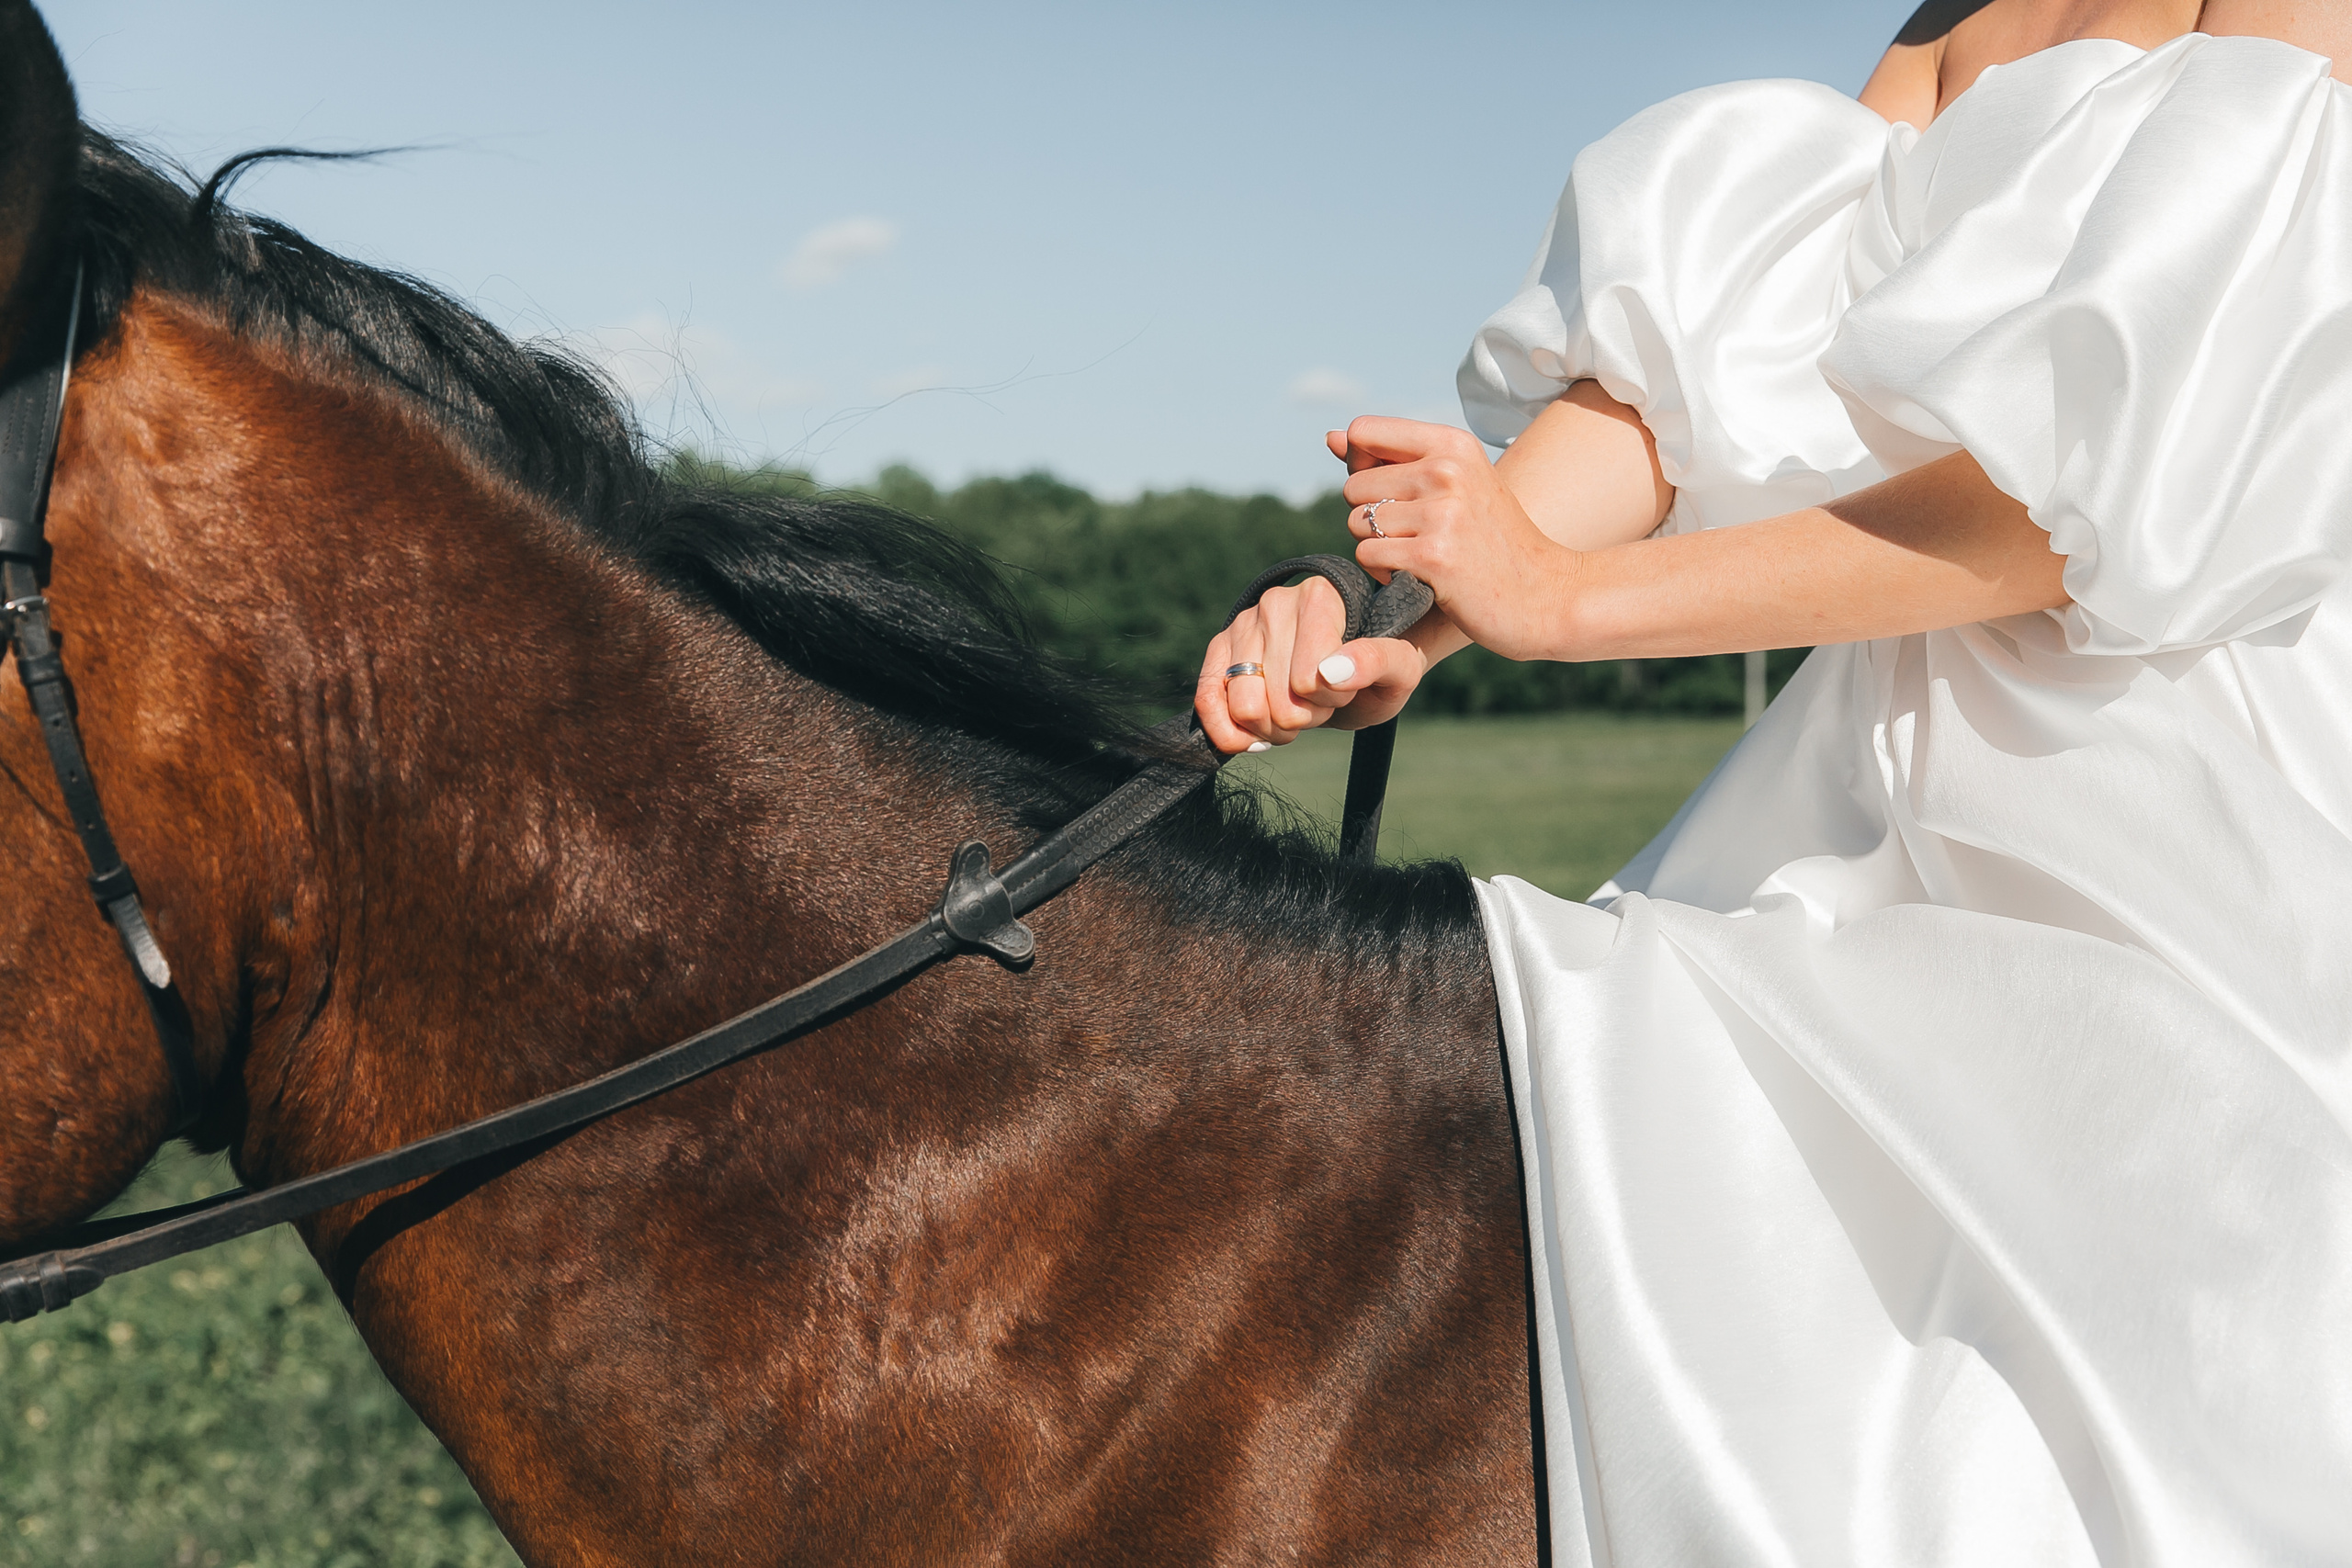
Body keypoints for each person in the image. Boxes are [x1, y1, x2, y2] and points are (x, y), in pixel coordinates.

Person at [1196, 2, 2352, 1562]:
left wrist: (1565, 605)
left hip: (2175, 809)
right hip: (1853, 816)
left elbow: (2078, 492)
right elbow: (1711, 384)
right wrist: (1410, 617)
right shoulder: (1950, 24)